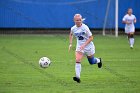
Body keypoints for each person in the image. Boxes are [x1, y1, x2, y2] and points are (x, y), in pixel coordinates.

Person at [69, 14, 102, 83]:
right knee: (78, 59)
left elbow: (91, 38)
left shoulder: (85, 27)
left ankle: (99, 60)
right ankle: (77, 77)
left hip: (89, 47)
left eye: (79, 20)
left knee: (91, 61)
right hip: (79, 47)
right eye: (77, 20)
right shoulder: (73, 28)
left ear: (81, 20)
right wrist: (70, 44)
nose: (78, 21)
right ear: (74, 20)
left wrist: (84, 45)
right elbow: (71, 34)